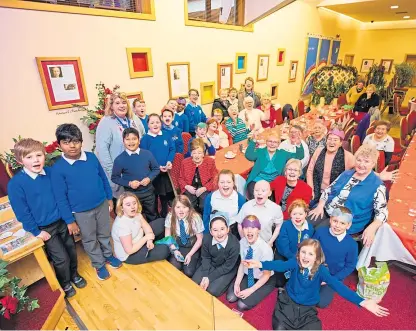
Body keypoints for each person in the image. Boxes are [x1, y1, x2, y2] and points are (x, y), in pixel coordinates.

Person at [244, 239, 389, 330]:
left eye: (310, 254)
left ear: (317, 257)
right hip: (289, 302)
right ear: (299, 253)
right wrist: (260, 263)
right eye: (303, 252)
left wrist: (362, 302)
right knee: (279, 328)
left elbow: (338, 286)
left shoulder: (321, 270)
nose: (305, 256)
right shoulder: (295, 262)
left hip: (307, 308)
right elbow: (280, 265)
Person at [8, 138, 86, 298]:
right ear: (19, 160)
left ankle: (74, 275)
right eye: (29, 157)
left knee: (71, 250)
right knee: (61, 258)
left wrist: (70, 219)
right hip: (45, 228)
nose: (35, 160)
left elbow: (63, 195)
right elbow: (22, 212)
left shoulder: (51, 173)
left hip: (62, 221)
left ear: (44, 155)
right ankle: (64, 282)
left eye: (38, 155)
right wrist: (36, 231)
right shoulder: (16, 184)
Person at [51, 124, 122, 281]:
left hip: (101, 204)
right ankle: (98, 263)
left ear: (81, 141)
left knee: (104, 233)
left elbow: (103, 178)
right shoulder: (58, 169)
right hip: (81, 212)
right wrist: (70, 221)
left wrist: (109, 197)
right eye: (66, 142)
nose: (72, 145)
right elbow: (60, 197)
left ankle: (108, 255)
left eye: (76, 141)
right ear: (59, 145)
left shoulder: (91, 157)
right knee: (89, 239)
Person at [309, 144, 389, 247]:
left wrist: (372, 227)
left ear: (373, 164)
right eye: (359, 160)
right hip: (326, 210)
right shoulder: (347, 174)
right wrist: (320, 206)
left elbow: (382, 213)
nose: (361, 164)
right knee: (305, 226)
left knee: (317, 235)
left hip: (344, 221)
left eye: (366, 161)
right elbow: (328, 190)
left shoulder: (377, 185)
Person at [96, 92, 145, 202]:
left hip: (137, 170)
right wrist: (113, 173)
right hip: (119, 173)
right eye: (117, 103)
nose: (121, 106)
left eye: (124, 102)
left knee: (138, 204)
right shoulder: (106, 122)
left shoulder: (134, 119)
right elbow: (102, 150)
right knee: (124, 205)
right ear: (111, 106)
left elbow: (143, 137)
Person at [226, 215, 275, 311]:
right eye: (246, 227)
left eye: (253, 227)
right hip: (249, 274)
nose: (249, 231)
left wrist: (251, 290)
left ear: (259, 230)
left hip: (264, 279)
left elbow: (266, 274)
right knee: (231, 297)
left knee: (241, 305)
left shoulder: (266, 250)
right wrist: (237, 283)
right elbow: (242, 263)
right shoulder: (242, 242)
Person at [111, 128, 160, 222]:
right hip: (132, 196)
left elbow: (156, 169)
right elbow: (115, 177)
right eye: (128, 139)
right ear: (123, 141)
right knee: (135, 219)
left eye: (134, 138)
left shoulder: (147, 154)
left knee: (153, 215)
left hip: (149, 193)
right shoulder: (119, 159)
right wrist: (129, 183)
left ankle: (155, 235)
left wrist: (149, 178)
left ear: (139, 140)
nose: (131, 142)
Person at [313, 207, 358, 308]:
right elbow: (311, 250)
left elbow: (350, 266)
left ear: (348, 225)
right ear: (330, 220)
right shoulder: (320, 232)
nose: (337, 226)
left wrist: (332, 279)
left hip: (333, 276)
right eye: (335, 221)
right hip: (315, 270)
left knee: (321, 303)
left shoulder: (352, 245)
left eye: (342, 223)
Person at [111, 192, 170, 264]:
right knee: (165, 250)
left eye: (134, 203)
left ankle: (152, 246)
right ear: (122, 208)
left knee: (162, 222)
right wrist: (146, 238)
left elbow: (146, 226)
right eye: (128, 205)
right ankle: (154, 249)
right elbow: (129, 250)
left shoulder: (135, 213)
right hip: (130, 255)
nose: (132, 207)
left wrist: (149, 240)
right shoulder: (122, 225)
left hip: (140, 239)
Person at [245, 131, 304, 199]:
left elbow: (299, 156)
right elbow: (248, 155)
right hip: (257, 180)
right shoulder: (260, 151)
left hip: (274, 182)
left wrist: (299, 144)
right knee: (256, 197)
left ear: (279, 144)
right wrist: (254, 140)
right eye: (270, 141)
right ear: (266, 142)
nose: (272, 144)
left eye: (275, 142)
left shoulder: (282, 154)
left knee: (273, 201)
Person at [192, 212, 240, 297]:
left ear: (228, 229)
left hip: (227, 268)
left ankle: (229, 281)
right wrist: (205, 275)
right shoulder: (206, 239)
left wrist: (209, 278)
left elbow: (227, 267)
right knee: (194, 283)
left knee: (211, 291)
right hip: (212, 263)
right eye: (215, 230)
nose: (219, 233)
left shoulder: (234, 244)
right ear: (210, 231)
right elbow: (206, 257)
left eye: (222, 229)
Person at [307, 129, 355, 204]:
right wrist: (310, 189)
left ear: (340, 143)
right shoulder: (318, 151)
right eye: (329, 139)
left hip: (334, 194)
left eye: (335, 140)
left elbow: (361, 169)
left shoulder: (348, 157)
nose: (331, 142)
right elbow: (310, 171)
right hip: (316, 190)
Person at [140, 114, 175, 218]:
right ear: (148, 125)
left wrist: (169, 161)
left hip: (166, 172)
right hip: (153, 173)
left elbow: (172, 149)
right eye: (152, 123)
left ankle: (166, 215)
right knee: (154, 196)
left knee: (166, 195)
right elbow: (145, 157)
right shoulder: (145, 139)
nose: (155, 124)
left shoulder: (166, 135)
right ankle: (155, 217)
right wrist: (157, 167)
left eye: (157, 122)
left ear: (161, 123)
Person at [275, 199, 314, 287]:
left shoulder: (310, 229)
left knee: (299, 281)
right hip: (284, 255)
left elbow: (310, 247)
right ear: (290, 215)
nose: (297, 217)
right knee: (279, 283)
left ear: (306, 214)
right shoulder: (286, 225)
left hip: (300, 258)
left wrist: (302, 260)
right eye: (294, 214)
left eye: (300, 214)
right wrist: (294, 259)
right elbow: (283, 247)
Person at [165, 195, 204, 277]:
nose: (181, 210)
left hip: (191, 244)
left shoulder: (195, 218)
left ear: (189, 208)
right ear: (173, 208)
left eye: (184, 207)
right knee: (174, 267)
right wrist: (174, 250)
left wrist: (190, 254)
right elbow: (167, 236)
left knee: (189, 272)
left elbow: (200, 239)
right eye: (178, 207)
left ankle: (197, 259)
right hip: (177, 243)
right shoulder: (170, 216)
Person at [237, 181, 283, 245]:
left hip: (266, 244)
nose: (259, 193)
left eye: (263, 191)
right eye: (256, 190)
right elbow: (239, 223)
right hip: (248, 244)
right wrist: (243, 240)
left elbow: (279, 226)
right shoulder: (246, 206)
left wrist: (270, 242)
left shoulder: (276, 208)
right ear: (253, 192)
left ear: (270, 193)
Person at [203, 169, 246, 237]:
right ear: (218, 183)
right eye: (222, 182)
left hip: (233, 233)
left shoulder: (240, 199)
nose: (225, 185)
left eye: (228, 182)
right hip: (215, 233)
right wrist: (206, 237)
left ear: (233, 183)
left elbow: (242, 221)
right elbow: (206, 218)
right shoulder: (210, 197)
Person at [179, 138, 218, 213]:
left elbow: (215, 179)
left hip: (205, 188)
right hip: (190, 188)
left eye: (199, 153)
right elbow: (181, 179)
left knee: (204, 205)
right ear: (191, 153)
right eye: (194, 153)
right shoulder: (185, 162)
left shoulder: (210, 162)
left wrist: (205, 188)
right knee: (189, 206)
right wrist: (187, 187)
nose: (197, 155)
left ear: (203, 153)